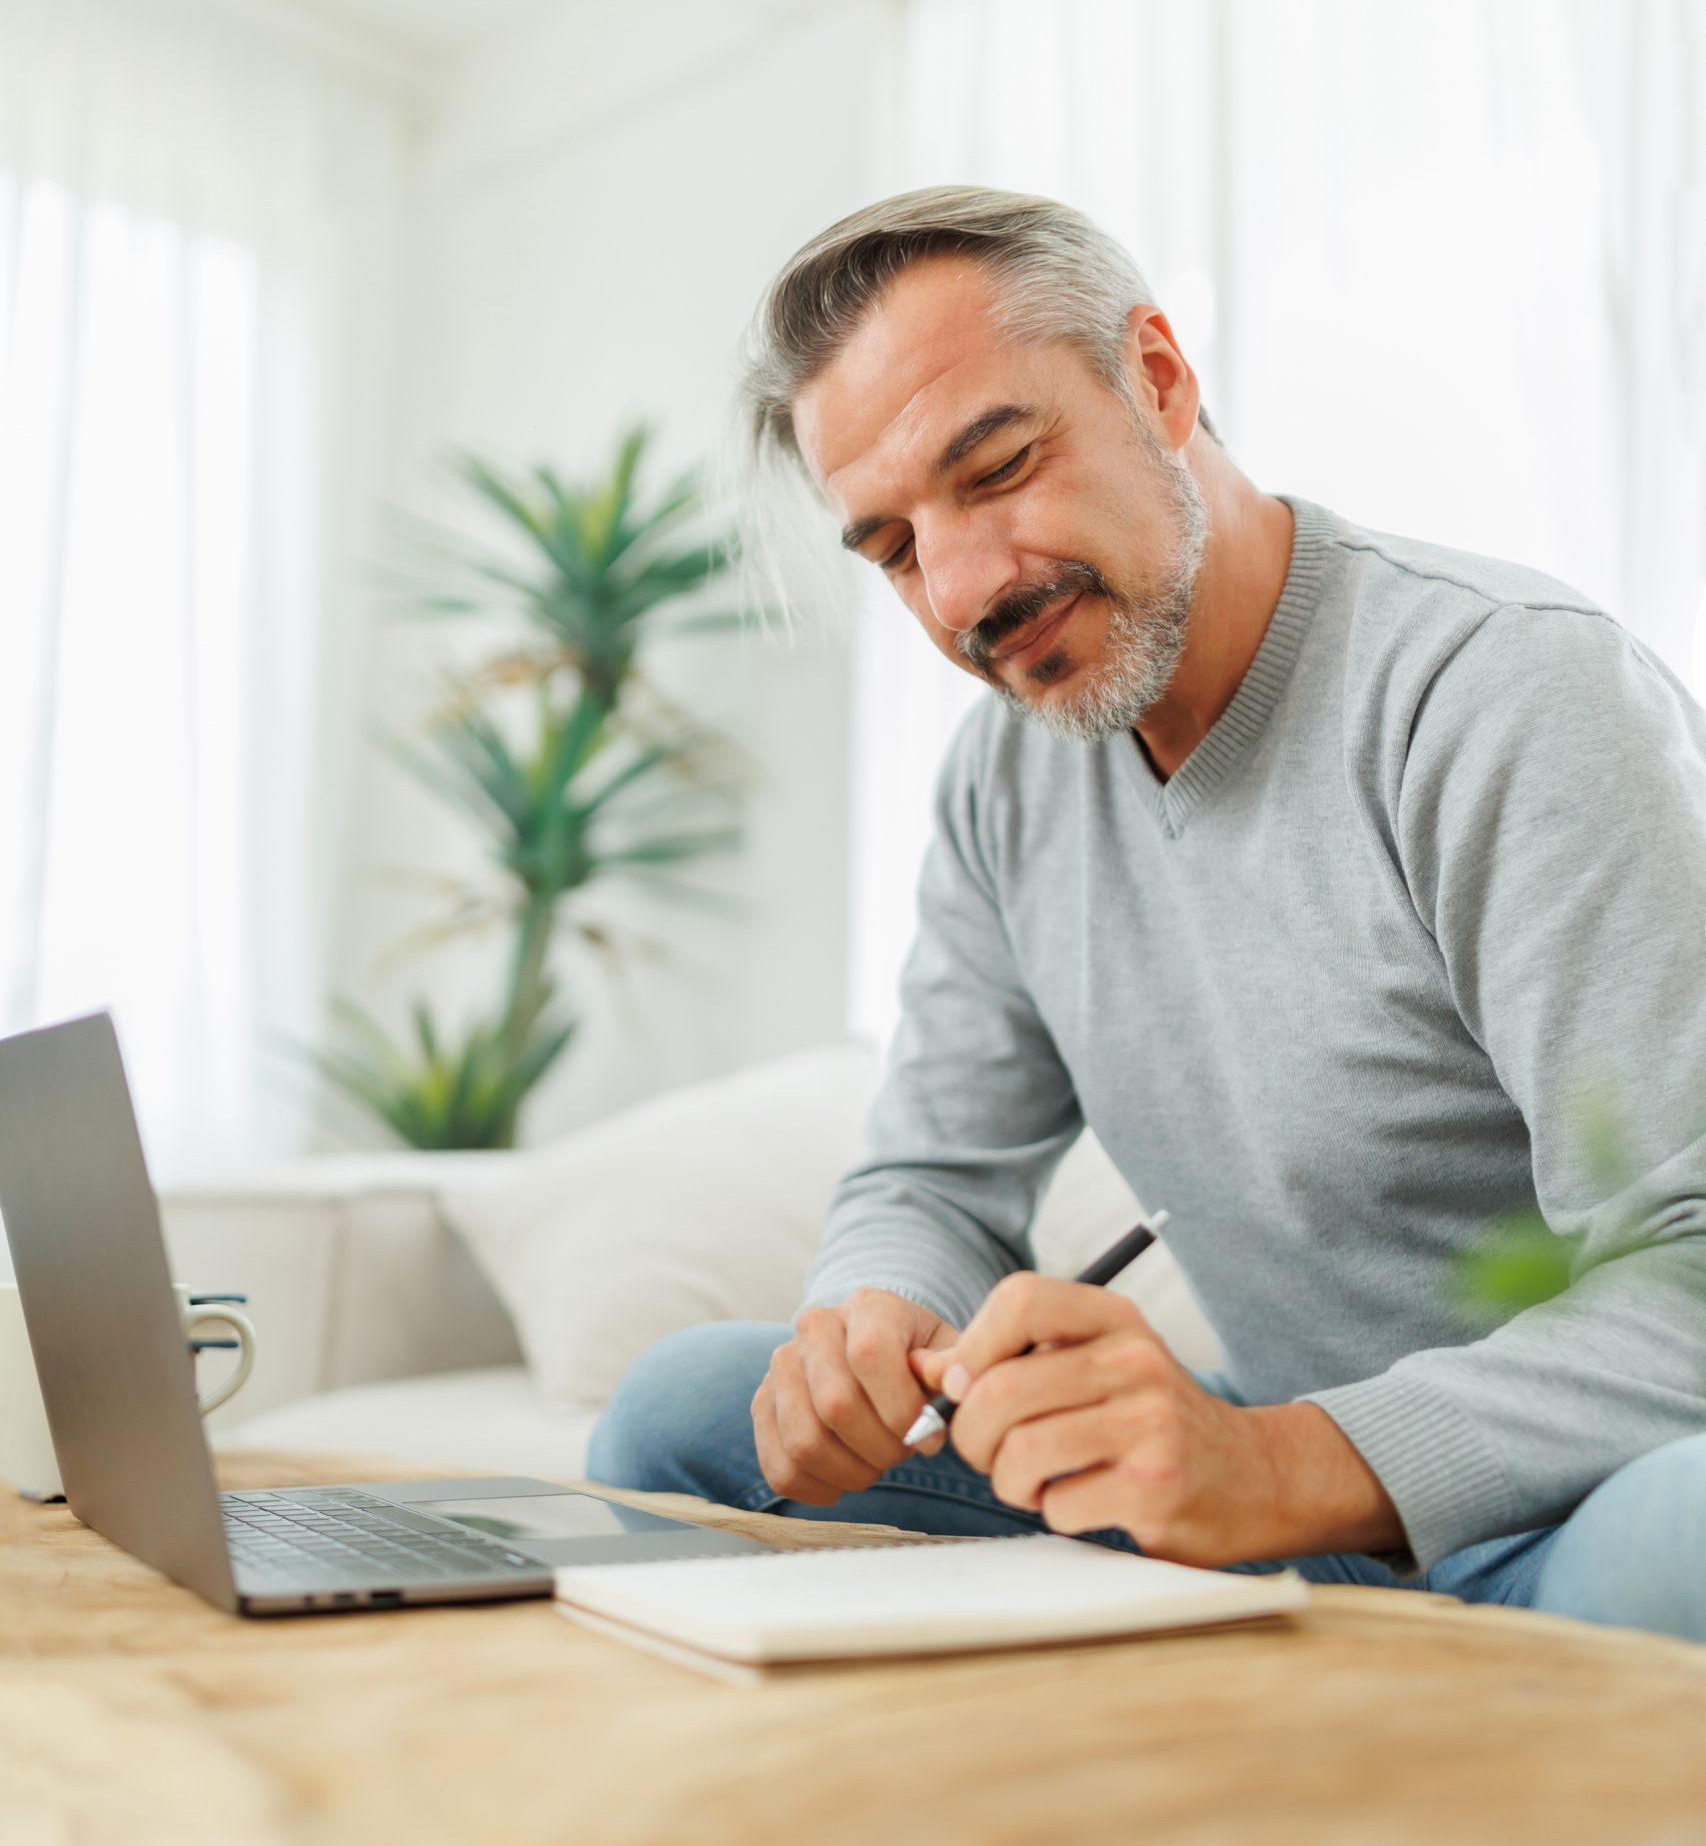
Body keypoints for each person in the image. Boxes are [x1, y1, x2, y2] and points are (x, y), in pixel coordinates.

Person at [590, 186, 1706, 1639]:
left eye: (995, 468)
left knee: (1680, 1547)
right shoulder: (1005, 780)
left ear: (1159, 382)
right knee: (681, 1414)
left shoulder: (1506, 697)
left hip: (1563, 1498)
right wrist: (867, 1320)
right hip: (1255, 1488)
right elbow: (931, 1177)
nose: (964, 590)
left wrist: (1290, 1465)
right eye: (892, 550)